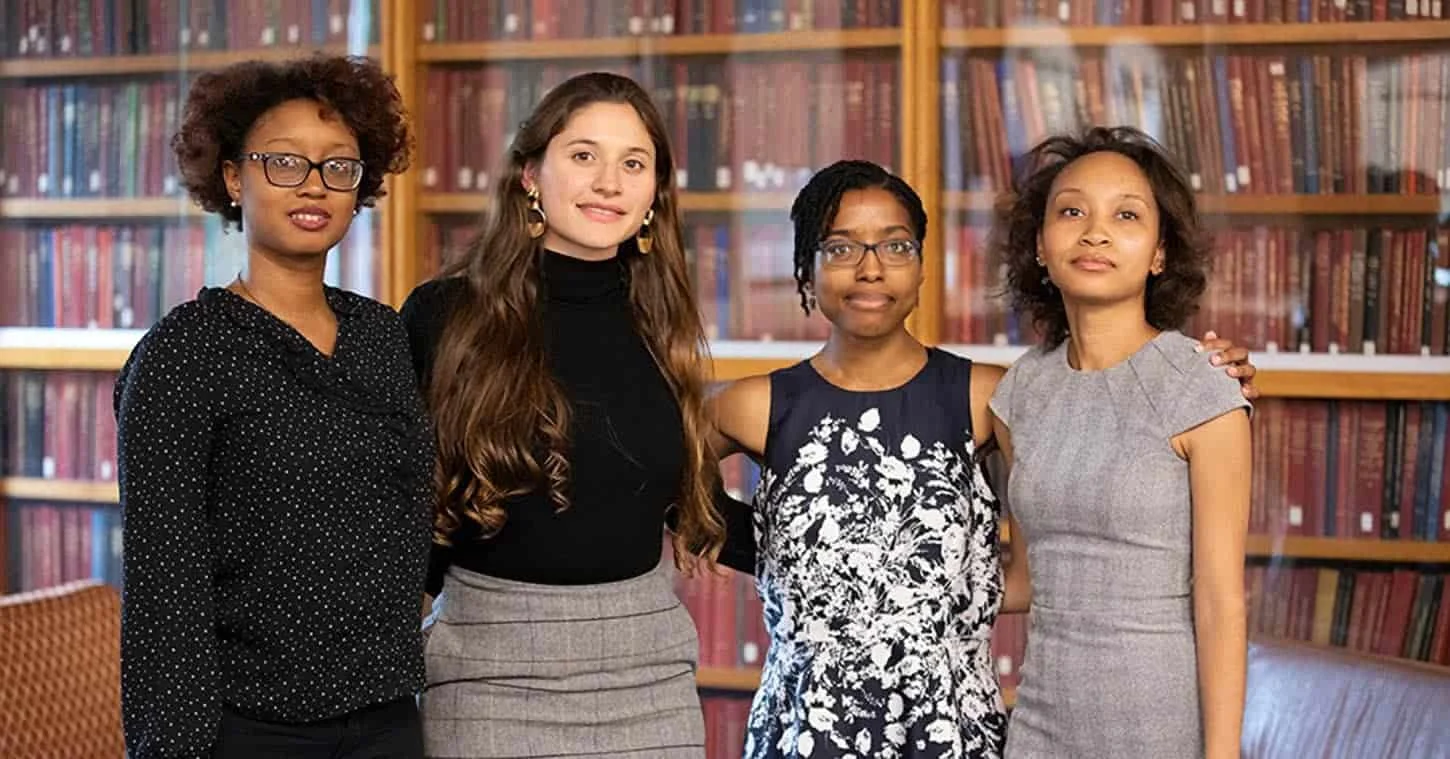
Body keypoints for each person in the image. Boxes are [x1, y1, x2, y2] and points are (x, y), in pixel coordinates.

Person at [707, 159, 1258, 759]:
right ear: (804, 271)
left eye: (895, 246)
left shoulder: (995, 396)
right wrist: (783, 558)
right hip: (852, 727)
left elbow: (1202, 593)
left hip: (994, 724)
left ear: (922, 267)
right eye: (841, 248)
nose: (870, 269)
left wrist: (1208, 375)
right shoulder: (759, 403)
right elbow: (656, 482)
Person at [400, 71, 751, 758]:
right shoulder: (445, 317)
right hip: (488, 674)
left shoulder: (662, 324)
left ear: (655, 193)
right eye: (583, 155)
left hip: (647, 677)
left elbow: (683, 501)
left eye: (633, 163)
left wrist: (840, 553)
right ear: (530, 174)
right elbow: (404, 517)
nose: (609, 183)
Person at [115, 54, 432, 758]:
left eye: (338, 166)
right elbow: (165, 592)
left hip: (388, 721)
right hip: (249, 729)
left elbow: (414, 523)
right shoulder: (182, 355)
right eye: (284, 162)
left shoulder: (382, 336)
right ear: (233, 175)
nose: (313, 185)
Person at [989, 127, 1253, 759]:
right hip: (1040, 725)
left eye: (1126, 215)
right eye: (1072, 210)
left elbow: (1220, 602)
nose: (1095, 232)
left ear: (1160, 253)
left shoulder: (1202, 387)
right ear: (1040, 248)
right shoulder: (1019, 393)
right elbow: (1026, 581)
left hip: (1158, 725)